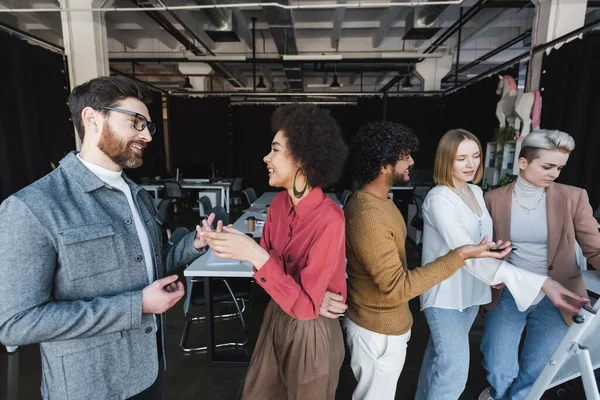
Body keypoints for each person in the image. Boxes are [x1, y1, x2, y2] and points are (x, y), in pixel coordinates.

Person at [0, 76, 210, 400]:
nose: (146, 135)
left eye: (149, 126)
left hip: (149, 373)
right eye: (136, 122)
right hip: (90, 387)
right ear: (92, 119)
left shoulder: (138, 195)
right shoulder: (33, 206)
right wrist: (137, 304)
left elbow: (148, 266)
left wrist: (194, 244)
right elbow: (16, 322)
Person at [341, 121, 515, 400]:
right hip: (377, 327)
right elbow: (396, 287)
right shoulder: (368, 214)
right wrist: (458, 256)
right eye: (404, 155)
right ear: (384, 165)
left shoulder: (381, 202)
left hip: (389, 321)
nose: (411, 160)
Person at [415, 129, 588, 400]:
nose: (471, 164)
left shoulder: (474, 191)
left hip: (474, 292)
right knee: (455, 372)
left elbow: (481, 242)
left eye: (475, 156)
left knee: (439, 360)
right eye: (461, 158)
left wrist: (496, 250)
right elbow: (467, 253)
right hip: (446, 295)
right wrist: (540, 281)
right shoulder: (443, 198)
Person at [200, 104, 349, 400]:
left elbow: (304, 306)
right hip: (276, 315)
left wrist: (256, 256)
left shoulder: (330, 219)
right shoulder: (280, 205)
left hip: (312, 332)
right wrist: (232, 242)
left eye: (275, 150)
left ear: (303, 159)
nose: (266, 158)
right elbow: (267, 271)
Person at [479, 129, 600, 400]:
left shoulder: (573, 197)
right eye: (547, 166)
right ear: (523, 162)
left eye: (559, 167)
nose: (554, 173)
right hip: (508, 293)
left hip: (559, 297)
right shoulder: (493, 199)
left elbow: (595, 247)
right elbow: (483, 251)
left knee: (537, 371)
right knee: (499, 368)